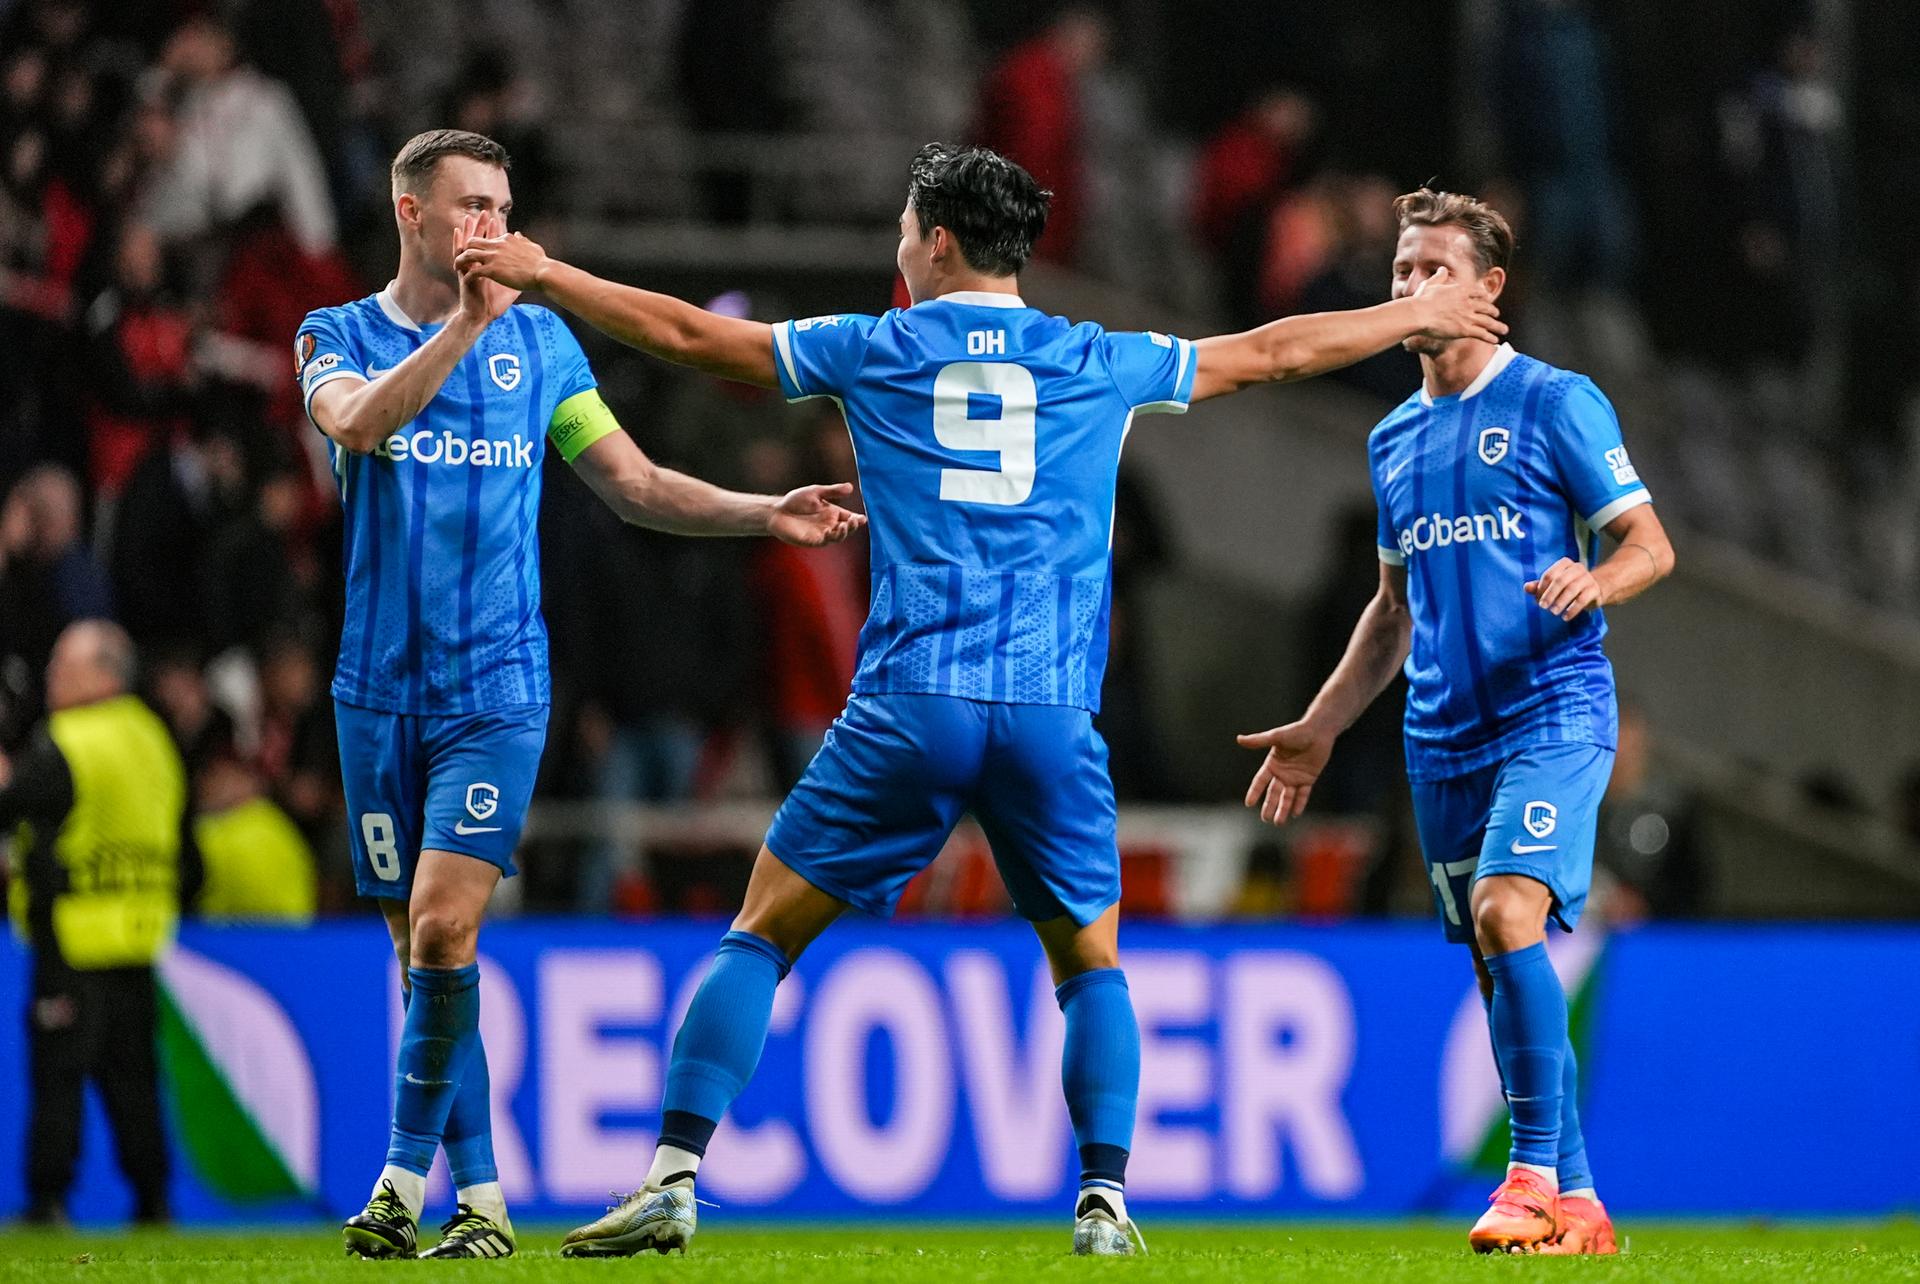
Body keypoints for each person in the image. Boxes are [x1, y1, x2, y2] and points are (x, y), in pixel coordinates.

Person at [456, 141, 1503, 1256]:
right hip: (1049, 715)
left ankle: (671, 1177)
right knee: (1090, 967)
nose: (898, 243)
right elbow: (1276, 350)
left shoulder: (875, 347)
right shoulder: (1097, 357)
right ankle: (1102, 1200)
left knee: (758, 938)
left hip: (911, 702)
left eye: (906, 226)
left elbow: (688, 335)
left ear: (938, 240)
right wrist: (1412, 318)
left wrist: (550, 274)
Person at [299, 128, 863, 1260]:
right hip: (374, 694)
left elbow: (637, 485)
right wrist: (463, 327)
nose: (491, 231)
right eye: (469, 208)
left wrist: (766, 513)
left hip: (495, 692)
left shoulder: (546, 349)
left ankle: (402, 1182)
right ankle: (487, 1202)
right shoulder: (338, 334)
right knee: (423, 963)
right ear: (411, 215)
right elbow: (356, 425)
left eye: (503, 210)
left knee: (446, 926)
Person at [1236, 188, 1674, 1256]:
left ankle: (1524, 1181)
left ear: (1489, 291)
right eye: (1400, 272)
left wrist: (1596, 582)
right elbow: (1392, 611)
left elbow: (1650, 547)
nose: (1414, 289)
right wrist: (1324, 724)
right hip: (1441, 742)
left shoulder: (1557, 403)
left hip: (1551, 711)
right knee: (1494, 960)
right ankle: (1578, 1205)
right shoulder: (1392, 439)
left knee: (1505, 915)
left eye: (1437, 270)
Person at [0, 620, 200, 1226]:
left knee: (59, 1076)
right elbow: (188, 851)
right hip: (141, 935)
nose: (53, 679)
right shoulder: (153, 738)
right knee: (135, 1082)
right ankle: (154, 1200)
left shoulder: (67, 739)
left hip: (76, 935)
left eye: (66, 666)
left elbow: (15, 804)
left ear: (104, 674)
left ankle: (49, 1200)